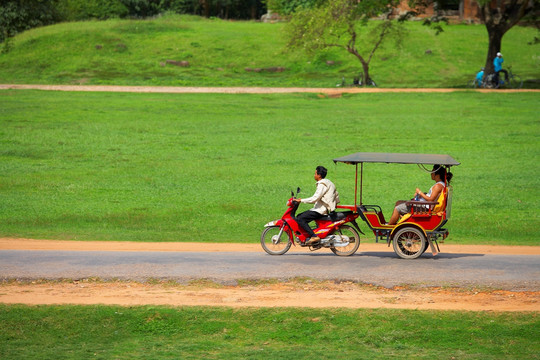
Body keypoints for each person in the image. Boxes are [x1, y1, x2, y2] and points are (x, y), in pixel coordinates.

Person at [387, 165, 453, 225]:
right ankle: (400, 222)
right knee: (398, 202)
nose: (431, 174)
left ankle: (389, 226)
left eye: (432, 172)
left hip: (424, 208)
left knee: (398, 208)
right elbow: (430, 196)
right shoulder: (441, 185)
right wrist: (423, 195)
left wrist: (419, 192)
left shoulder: (438, 186)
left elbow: (430, 199)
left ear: (437, 176)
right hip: (424, 205)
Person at [294, 166, 340, 245]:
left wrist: (301, 200)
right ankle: (309, 236)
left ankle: (313, 236)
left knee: (300, 218)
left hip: (320, 210)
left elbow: (314, 198)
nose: (314, 175)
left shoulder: (322, 184)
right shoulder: (328, 182)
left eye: (315, 173)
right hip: (321, 208)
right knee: (301, 216)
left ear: (319, 175)